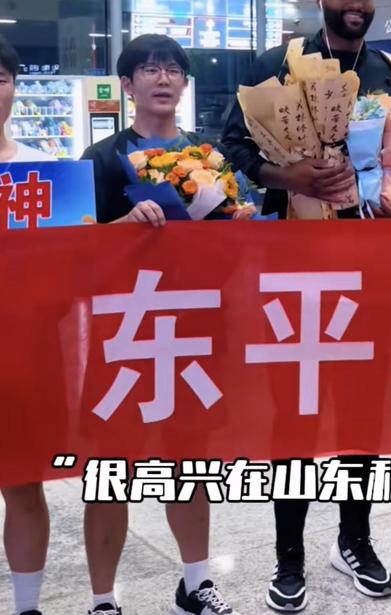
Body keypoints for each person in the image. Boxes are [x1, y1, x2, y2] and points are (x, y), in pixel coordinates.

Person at [223, 0, 391, 612]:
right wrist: (287, 176)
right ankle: (288, 554)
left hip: (371, 268)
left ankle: (355, 539)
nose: (355, 3)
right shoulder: (274, 66)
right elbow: (233, 146)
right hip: (295, 270)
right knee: (293, 411)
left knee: (361, 410)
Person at [80, 34, 238, 615]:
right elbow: (75, 251)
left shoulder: (209, 157)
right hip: (121, 331)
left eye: (173, 69)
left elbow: (232, 252)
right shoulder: (100, 158)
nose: (163, 78)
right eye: (149, 69)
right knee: (110, 467)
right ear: (127, 85)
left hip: (189, 328)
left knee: (188, 461)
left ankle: (196, 583)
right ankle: (103, 599)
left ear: (185, 83)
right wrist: (123, 226)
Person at [0, 35, 55, 615]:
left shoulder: (41, 171)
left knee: (22, 482)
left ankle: (26, 607)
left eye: (0, 78)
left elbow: (67, 269)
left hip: (20, 354)